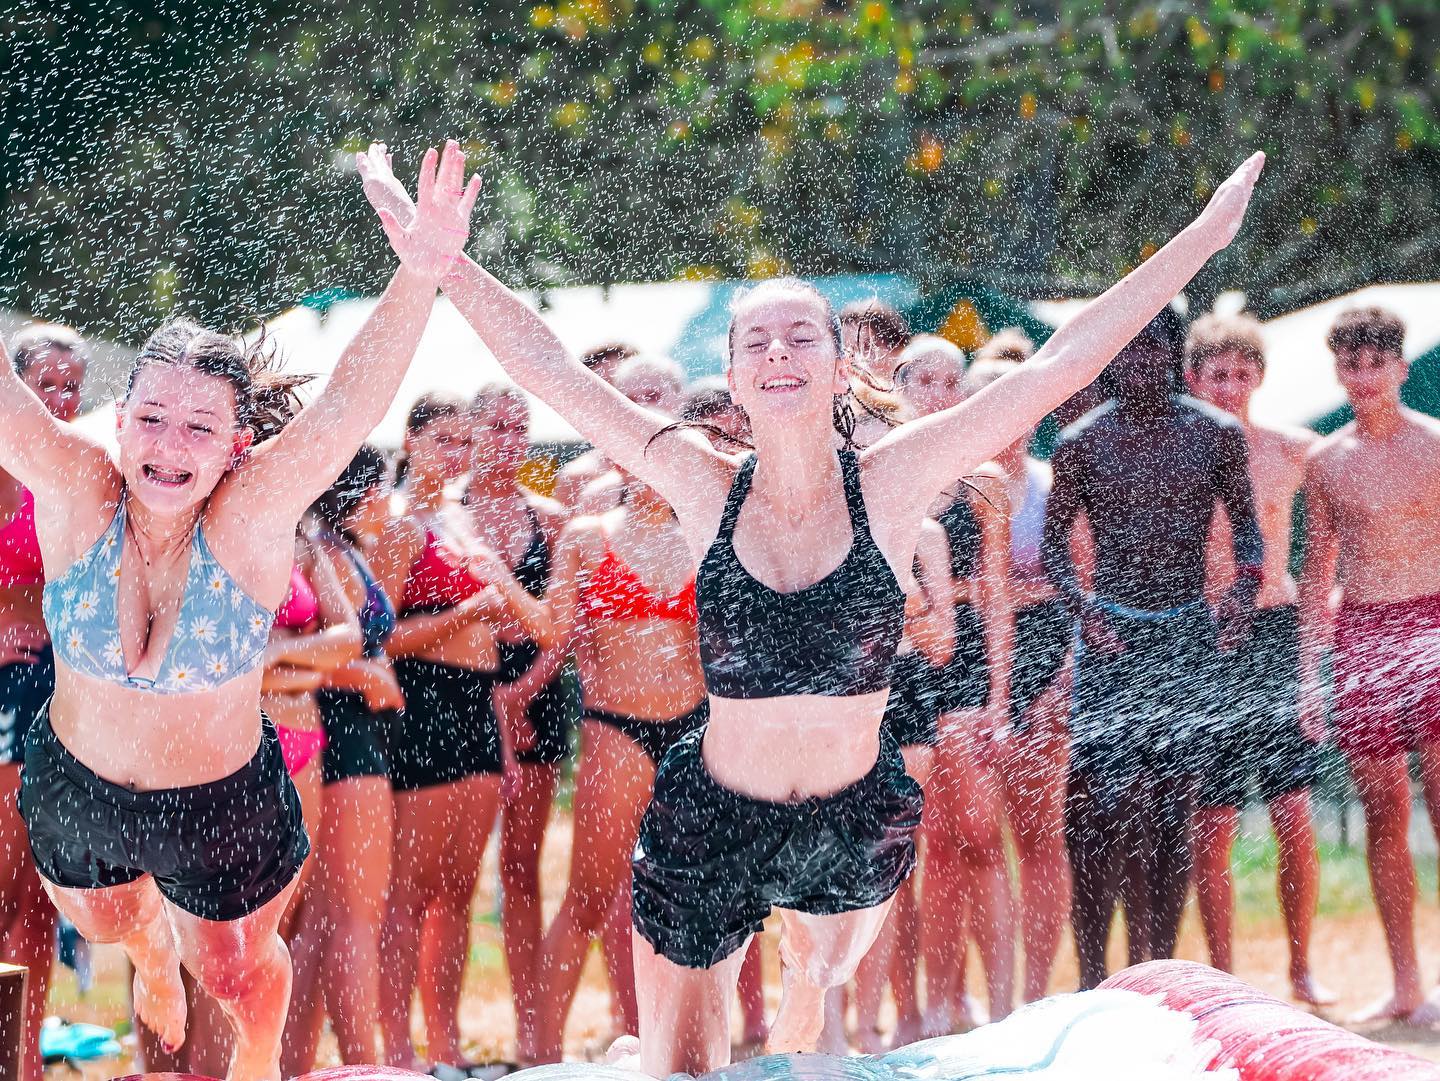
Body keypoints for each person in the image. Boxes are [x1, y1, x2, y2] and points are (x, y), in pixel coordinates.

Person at [357, 141, 1263, 1075]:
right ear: (738, 379)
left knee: (819, 969)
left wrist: (1202, 236)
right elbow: (552, 368)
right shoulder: (701, 482)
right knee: (686, 1064)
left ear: (837, 368)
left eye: (801, 338)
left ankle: (791, 979)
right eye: (757, 342)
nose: (779, 352)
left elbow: (1060, 365)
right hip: (712, 815)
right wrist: (441, 263)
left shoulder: (896, 478)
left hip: (850, 812)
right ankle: (653, 1046)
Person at [4, 139, 477, 1081]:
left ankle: (258, 1065)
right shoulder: (72, 484)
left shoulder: (252, 511)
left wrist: (420, 276)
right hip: (81, 782)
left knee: (238, 971)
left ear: (238, 443)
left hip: (221, 798)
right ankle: (145, 952)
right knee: (105, 919)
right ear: (118, 411)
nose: (169, 449)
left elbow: (346, 406)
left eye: (199, 428)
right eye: (151, 419)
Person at [1043, 304, 1264, 992]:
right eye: (1128, 351)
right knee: (1095, 812)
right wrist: (1082, 609)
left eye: (1154, 349)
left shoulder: (1216, 434)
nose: (1140, 363)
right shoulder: (1081, 440)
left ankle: (1159, 968)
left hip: (1184, 633)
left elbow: (1250, 536)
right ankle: (1089, 978)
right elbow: (1053, 550)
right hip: (1109, 633)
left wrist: (1241, 593)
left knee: (1173, 808)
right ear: (1110, 358)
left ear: (1174, 355)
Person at [367, 393, 553, 1071]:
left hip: (479, 705)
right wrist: (468, 610)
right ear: (412, 442)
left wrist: (503, 735)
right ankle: (395, 1047)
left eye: (464, 443)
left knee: (457, 892)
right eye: (443, 440)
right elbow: (378, 639)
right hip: (425, 705)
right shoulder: (400, 525)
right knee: (409, 892)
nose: (457, 454)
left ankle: (444, 1045)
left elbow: (531, 625)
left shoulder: (461, 520)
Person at [534, 463, 708, 1061]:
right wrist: (498, 587)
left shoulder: (706, 532)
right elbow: (552, 630)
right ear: (621, 463)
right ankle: (539, 1056)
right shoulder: (587, 535)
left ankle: (685, 1051)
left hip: (695, 725)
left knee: (698, 897)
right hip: (618, 726)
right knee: (588, 892)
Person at [1182, 313, 1330, 1007]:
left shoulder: (1297, 450)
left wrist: (1335, 588)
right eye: (1219, 375)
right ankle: (1221, 974)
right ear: (1194, 377)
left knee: (1292, 810)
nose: (1232, 387)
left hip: (1274, 630)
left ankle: (1301, 969)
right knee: (1210, 822)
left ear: (1260, 378)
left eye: (1243, 375)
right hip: (1205, 639)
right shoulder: (1172, 458)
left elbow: (1366, 496)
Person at [1300, 307, 1440, 1025]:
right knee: (1384, 812)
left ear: (1400, 369)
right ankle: (1407, 979)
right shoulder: (1326, 460)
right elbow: (1316, 565)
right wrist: (1307, 679)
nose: (1361, 376)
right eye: (1349, 365)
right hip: (1363, 635)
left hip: (1434, 620)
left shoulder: (1436, 446)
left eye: (1374, 363)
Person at [896, 336, 1017, 1030]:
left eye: (951, 381)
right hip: (903, 657)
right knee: (917, 844)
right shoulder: (883, 473)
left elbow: (998, 595)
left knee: (977, 835)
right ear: (899, 385)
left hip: (967, 658)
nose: (938, 393)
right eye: (925, 379)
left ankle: (1000, 1004)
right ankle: (927, 1004)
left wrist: (1000, 697)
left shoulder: (984, 481)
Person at [461, 385, 574, 1066]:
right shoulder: (448, 515)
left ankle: (533, 1034)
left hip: (533, 695)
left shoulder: (552, 519)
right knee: (447, 877)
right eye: (497, 426)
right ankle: (442, 1033)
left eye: (520, 427)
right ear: (472, 432)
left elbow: (561, 624)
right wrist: (489, 696)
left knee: (522, 868)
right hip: (458, 690)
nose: (510, 439)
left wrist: (520, 693)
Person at [283, 447, 405, 1071]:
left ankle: (296, 1064)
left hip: (333, 736)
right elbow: (326, 653)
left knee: (313, 924)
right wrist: (369, 676)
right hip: (341, 737)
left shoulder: (334, 546)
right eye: (385, 485)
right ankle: (363, 1063)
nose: (392, 498)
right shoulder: (326, 549)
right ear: (363, 489)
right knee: (353, 918)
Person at [964, 339, 1074, 1005]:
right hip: (964, 665)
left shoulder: (1054, 485)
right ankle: (991, 994)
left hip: (1042, 662)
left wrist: (1062, 679)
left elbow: (1085, 585)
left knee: (1038, 834)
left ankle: (1035, 993)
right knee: (972, 844)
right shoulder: (952, 484)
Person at [0, 324, 86, 1081]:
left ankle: (24, 1064)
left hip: (64, 699)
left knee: (41, 895)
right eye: (45, 385)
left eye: (71, 386)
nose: (60, 401)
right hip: (7, 694)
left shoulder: (80, 468)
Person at [570, 355, 687, 516]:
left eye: (653, 397)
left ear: (681, 398)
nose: (640, 408)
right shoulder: (601, 498)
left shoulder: (713, 474)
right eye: (630, 400)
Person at [552, 343, 639, 509]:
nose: (616, 399)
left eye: (621, 386)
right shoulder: (577, 477)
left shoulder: (682, 459)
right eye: (601, 392)